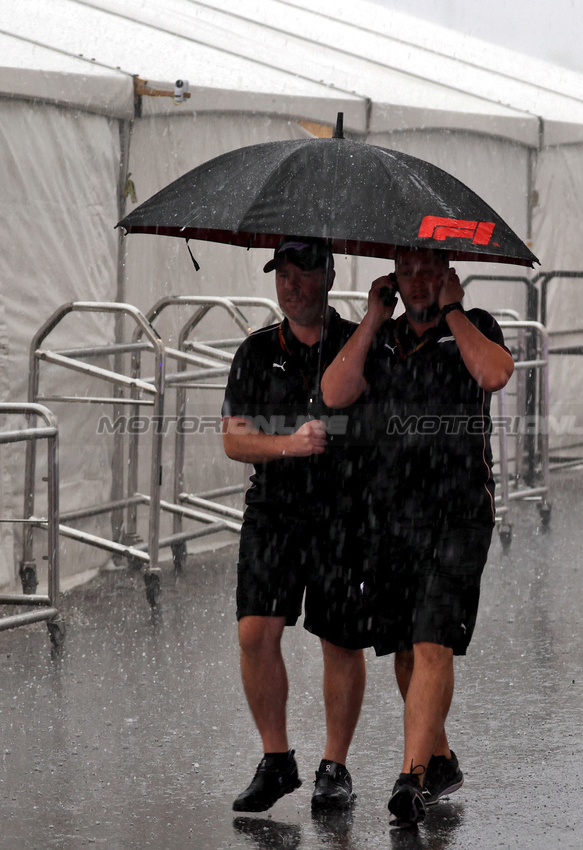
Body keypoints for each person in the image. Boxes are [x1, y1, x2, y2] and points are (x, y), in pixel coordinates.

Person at [321, 246, 514, 826]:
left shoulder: (475, 327)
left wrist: (454, 313)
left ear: (448, 271)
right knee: (406, 649)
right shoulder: (382, 336)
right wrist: (374, 317)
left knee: (432, 640)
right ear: (395, 278)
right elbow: (334, 393)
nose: (419, 280)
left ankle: (411, 777)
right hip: (392, 515)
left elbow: (495, 373)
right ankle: (442, 758)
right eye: (408, 271)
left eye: (430, 268)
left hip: (459, 514)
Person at [222, 237, 372, 812]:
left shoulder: (360, 342)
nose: (289, 283)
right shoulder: (256, 351)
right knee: (255, 632)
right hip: (274, 511)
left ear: (329, 273)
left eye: (301, 272)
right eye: (280, 272)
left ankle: (335, 766)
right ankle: (277, 759)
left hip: (342, 512)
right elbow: (235, 438)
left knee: (339, 638)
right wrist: (287, 444)